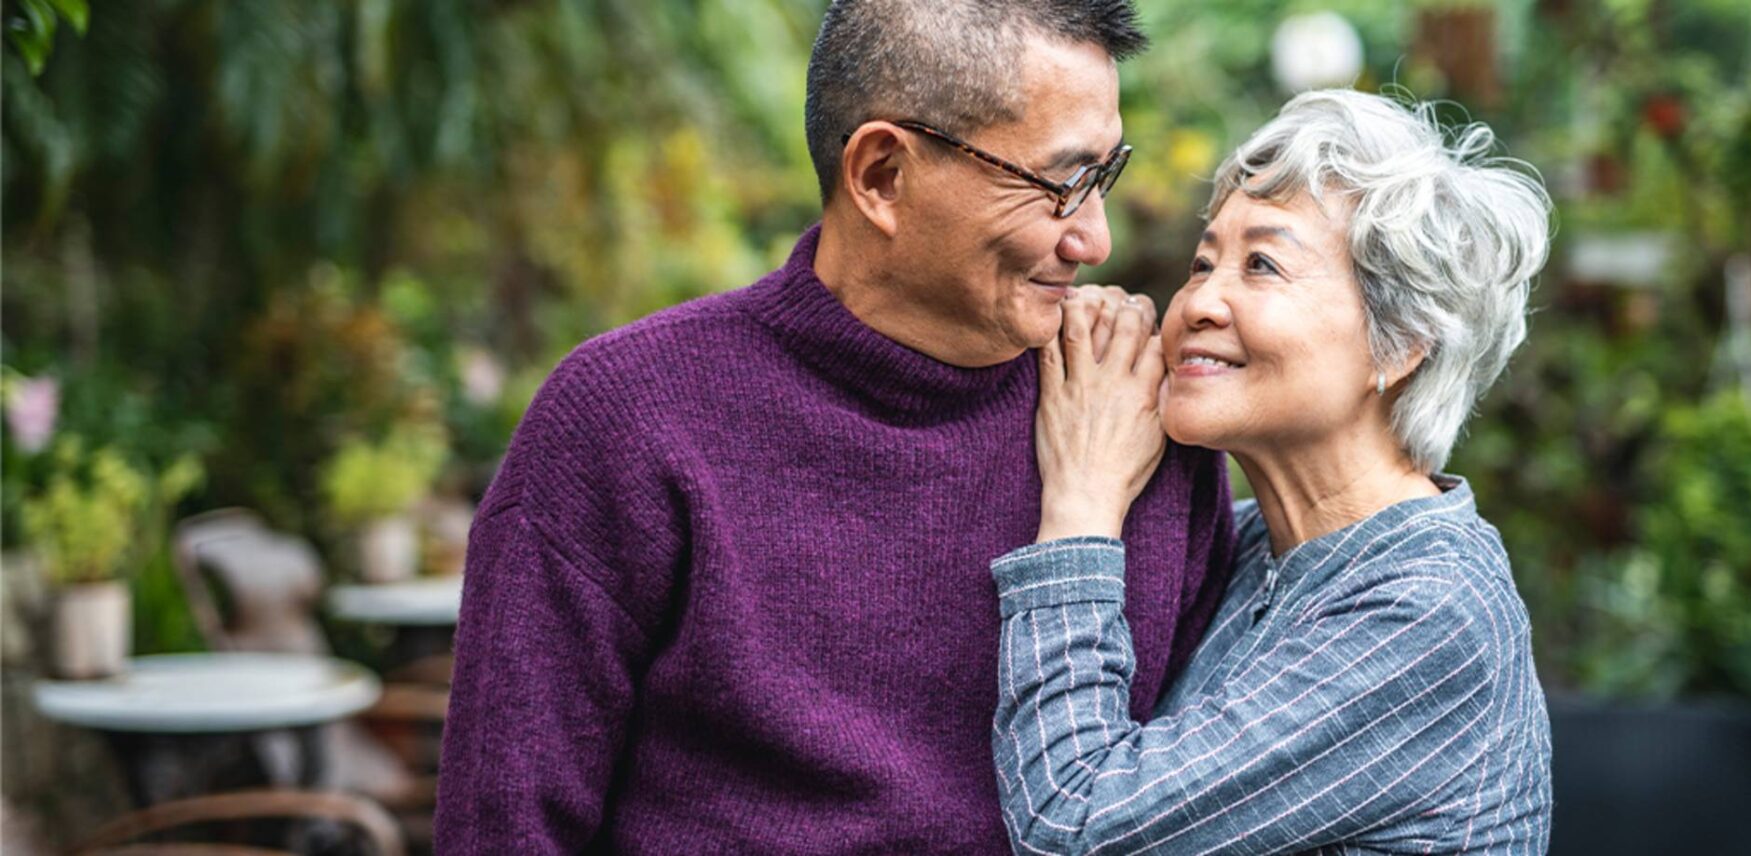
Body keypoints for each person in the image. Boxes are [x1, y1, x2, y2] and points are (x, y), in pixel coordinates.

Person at [434, 1, 1236, 852]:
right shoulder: (628, 417)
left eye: (1104, 178)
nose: (1095, 239)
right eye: (1061, 184)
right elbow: (505, 823)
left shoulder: (1133, 420)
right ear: (882, 176)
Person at [990, 89, 1555, 854]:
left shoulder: (1431, 612)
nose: (1198, 303)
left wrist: (1081, 502)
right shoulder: (1254, 547)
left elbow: (1076, 826)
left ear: (1400, 344)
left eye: (1261, 265)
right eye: (1202, 261)